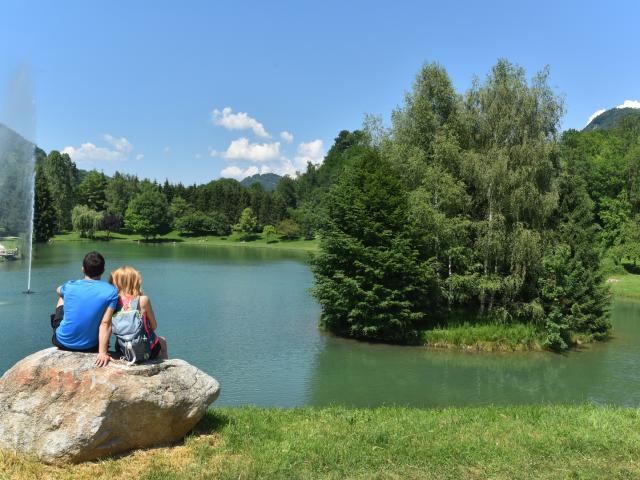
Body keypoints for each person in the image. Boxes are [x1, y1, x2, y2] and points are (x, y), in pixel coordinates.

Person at [51, 251, 118, 367]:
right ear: (103, 270)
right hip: (91, 346)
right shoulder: (111, 291)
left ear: (83, 269)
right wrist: (102, 352)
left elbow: (58, 290)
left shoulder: (70, 285)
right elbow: (105, 323)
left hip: (62, 341)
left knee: (63, 297)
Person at [109, 265, 168, 360]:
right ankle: (164, 365)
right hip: (145, 350)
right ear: (135, 281)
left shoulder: (112, 301)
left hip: (122, 349)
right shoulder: (143, 300)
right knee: (163, 341)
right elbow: (154, 326)